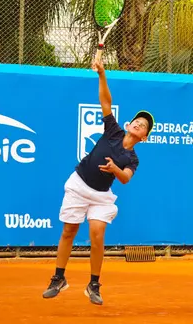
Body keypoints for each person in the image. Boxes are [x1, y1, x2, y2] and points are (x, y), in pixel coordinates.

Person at [42, 52, 154, 305]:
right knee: (69, 230)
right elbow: (105, 100)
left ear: (144, 137)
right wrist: (102, 74)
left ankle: (94, 284)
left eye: (143, 126)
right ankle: (59, 278)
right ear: (128, 124)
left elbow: (125, 178)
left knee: (97, 233)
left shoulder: (133, 159)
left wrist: (115, 168)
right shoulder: (113, 130)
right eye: (137, 121)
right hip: (79, 184)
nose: (139, 124)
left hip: (102, 197)